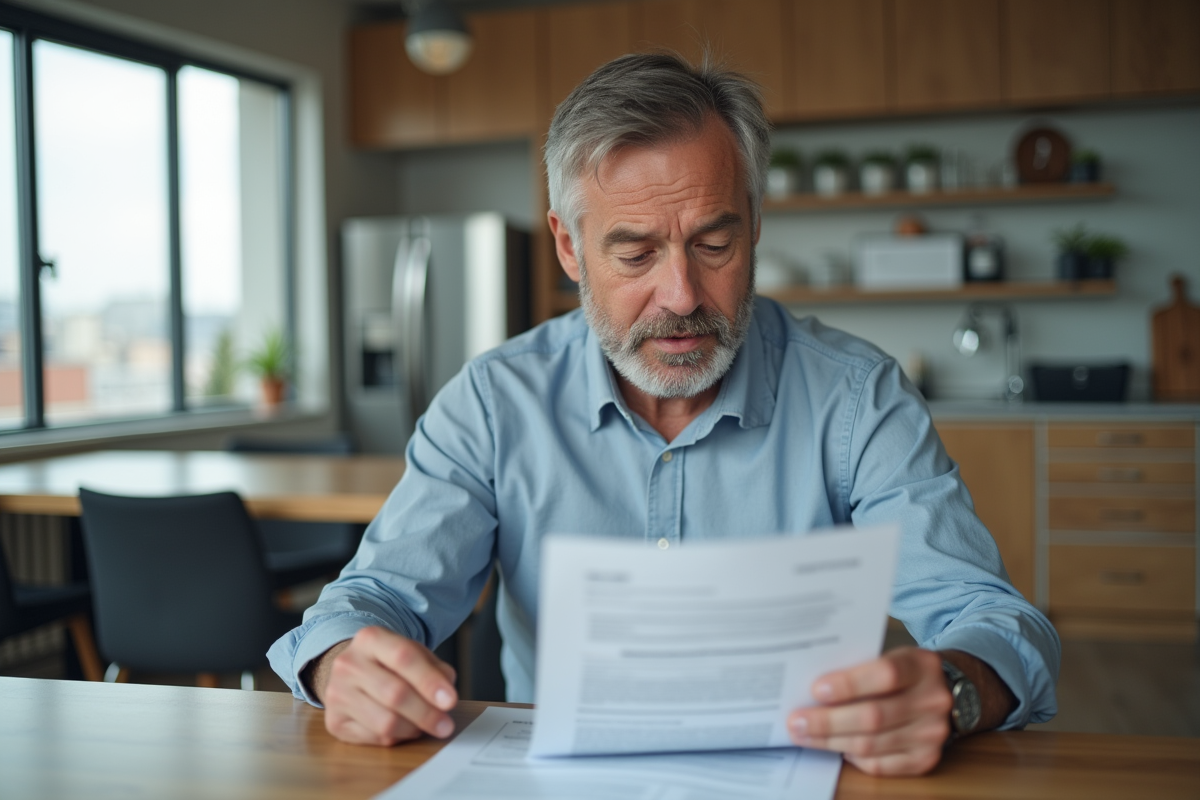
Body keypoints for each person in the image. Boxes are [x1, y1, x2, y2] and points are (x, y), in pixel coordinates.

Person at [269, 52, 1059, 777]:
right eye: (636, 253)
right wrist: (343, 666)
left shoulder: (858, 398)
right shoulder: (492, 403)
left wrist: (956, 688)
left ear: (754, 224)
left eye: (714, 245)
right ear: (570, 248)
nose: (681, 297)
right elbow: (374, 599)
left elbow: (991, 618)